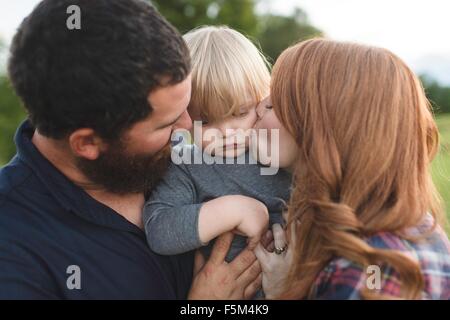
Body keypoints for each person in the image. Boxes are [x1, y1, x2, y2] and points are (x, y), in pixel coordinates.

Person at [0, 0, 261, 299]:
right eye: (166, 124)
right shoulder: (13, 248)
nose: (188, 127)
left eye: (188, 108)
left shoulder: (188, 163)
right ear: (88, 143)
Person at [253, 39, 450, 299]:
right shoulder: (415, 227)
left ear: (328, 128)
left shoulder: (366, 272)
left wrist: (283, 294)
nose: (258, 106)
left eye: (278, 101)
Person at [143, 26, 291, 268]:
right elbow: (159, 229)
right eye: (206, 121)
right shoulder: (187, 165)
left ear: (263, 100)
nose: (226, 132)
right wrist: (231, 211)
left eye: (240, 113)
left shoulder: (280, 149)